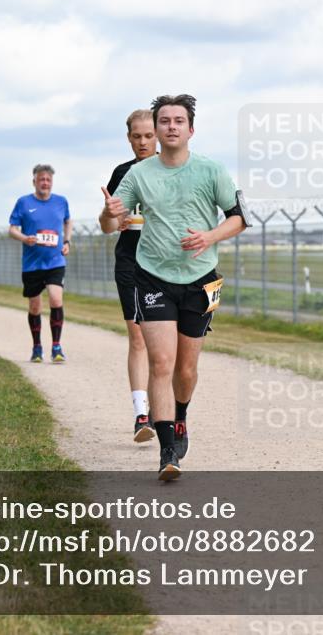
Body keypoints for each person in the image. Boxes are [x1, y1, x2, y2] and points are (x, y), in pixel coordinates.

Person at [100, 94, 249, 480]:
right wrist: (109, 213)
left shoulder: (211, 171)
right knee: (162, 362)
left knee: (186, 367)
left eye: (178, 121)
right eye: (164, 120)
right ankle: (168, 452)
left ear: (190, 129)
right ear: (156, 128)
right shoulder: (139, 174)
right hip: (152, 275)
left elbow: (239, 218)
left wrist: (209, 237)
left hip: (201, 278)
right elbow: (109, 224)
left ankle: (180, 416)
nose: (170, 127)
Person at [107, 108, 159, 443]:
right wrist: (117, 220)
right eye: (136, 136)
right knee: (138, 337)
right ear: (128, 138)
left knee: (163, 344)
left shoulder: (174, 170)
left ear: (158, 136)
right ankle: (142, 415)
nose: (142, 142)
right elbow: (110, 219)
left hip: (165, 265)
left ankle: (163, 410)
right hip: (130, 262)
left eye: (148, 136)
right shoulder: (122, 173)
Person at [8, 164, 71, 363]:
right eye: (41, 179)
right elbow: (12, 229)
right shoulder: (24, 202)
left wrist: (67, 241)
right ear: (34, 181)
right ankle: (37, 347)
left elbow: (68, 221)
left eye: (48, 179)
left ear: (52, 182)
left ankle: (56, 347)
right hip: (32, 264)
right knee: (35, 307)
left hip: (55, 261)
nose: (45, 183)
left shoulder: (61, 201)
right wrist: (24, 238)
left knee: (56, 299)